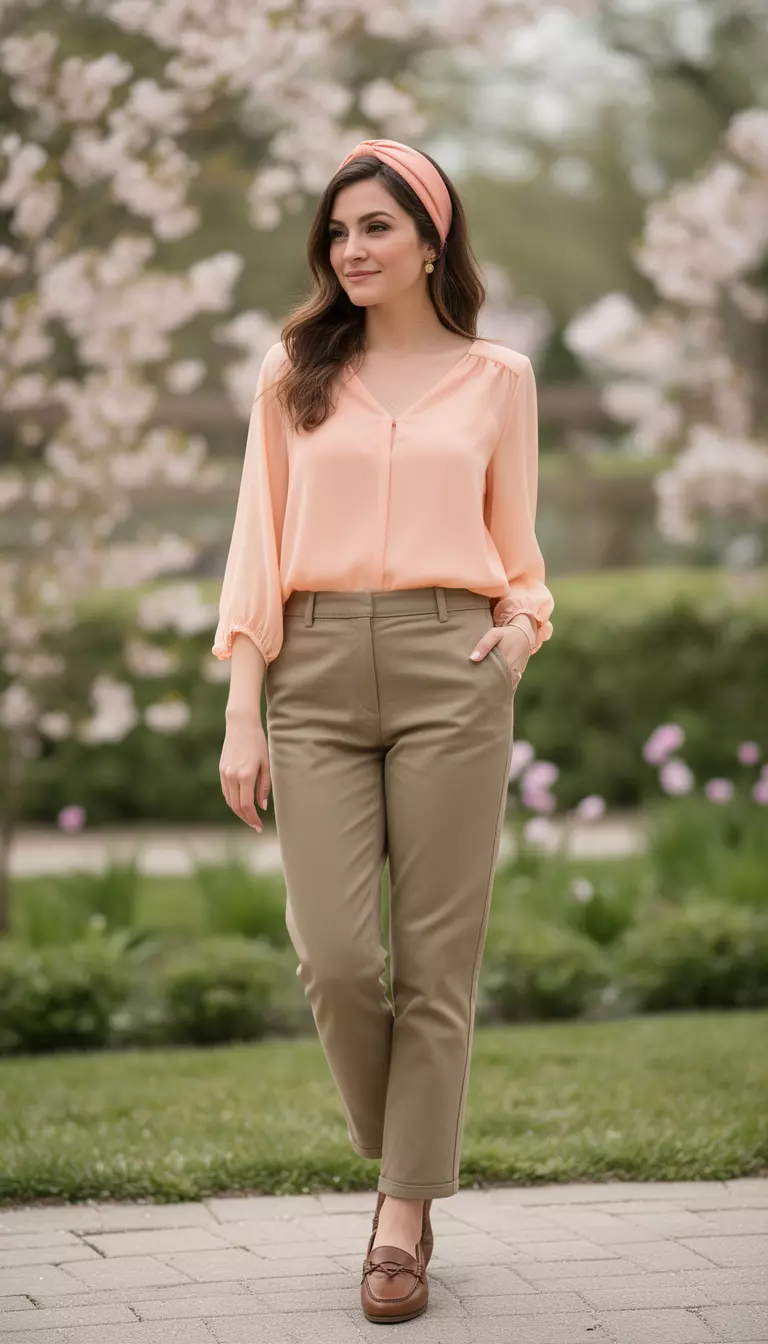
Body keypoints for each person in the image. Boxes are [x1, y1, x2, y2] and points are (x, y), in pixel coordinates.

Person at [213, 138, 554, 1325]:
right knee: (341, 958)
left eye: (376, 229)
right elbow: (257, 543)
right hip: (307, 670)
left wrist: (521, 633)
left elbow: (521, 555)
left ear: (431, 239)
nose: (352, 251)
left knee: (439, 962)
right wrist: (241, 707)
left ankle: (401, 1220)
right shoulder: (293, 370)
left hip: (451, 664)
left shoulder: (499, 378)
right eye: (339, 232)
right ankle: (408, 1140)